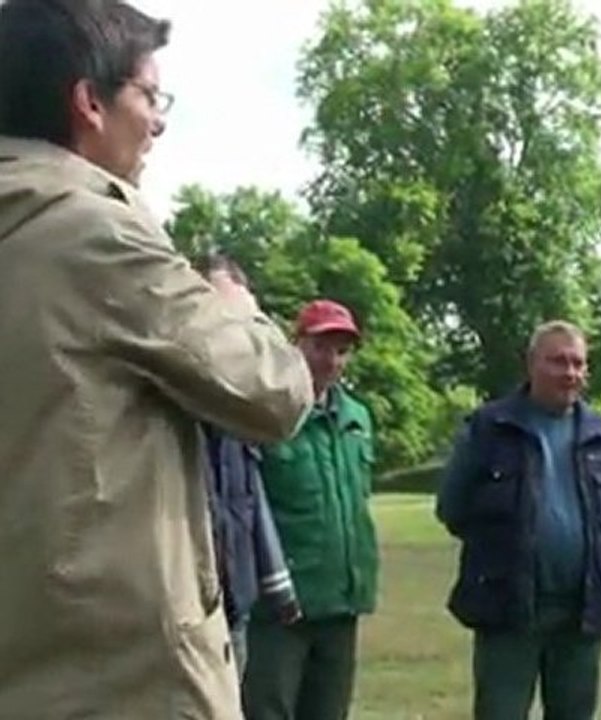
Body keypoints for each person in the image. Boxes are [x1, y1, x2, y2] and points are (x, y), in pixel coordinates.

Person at [0, 1, 314, 718]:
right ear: (88, 101)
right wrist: (236, 305)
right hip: (123, 684)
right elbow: (273, 392)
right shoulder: (95, 234)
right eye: (149, 94)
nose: (160, 120)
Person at [437, 320, 601, 720]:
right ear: (531, 365)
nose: (570, 373)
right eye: (558, 362)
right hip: (509, 607)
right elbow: (452, 507)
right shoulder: (490, 427)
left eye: (578, 363)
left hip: (582, 610)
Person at [243, 299, 379, 720]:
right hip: (281, 606)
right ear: (296, 344)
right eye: (321, 347)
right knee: (269, 711)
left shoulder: (357, 416)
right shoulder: (267, 411)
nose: (331, 360)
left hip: (342, 598)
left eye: (342, 350)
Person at [197, 253, 304, 680]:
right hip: (180, 620)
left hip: (234, 612)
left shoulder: (236, 419)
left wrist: (277, 588)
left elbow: (251, 505)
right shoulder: (168, 407)